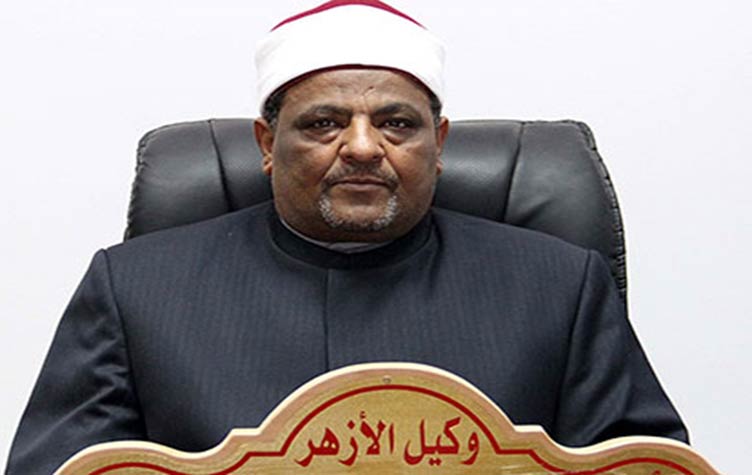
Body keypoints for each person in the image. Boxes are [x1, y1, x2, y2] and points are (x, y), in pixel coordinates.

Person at [5, 1, 687, 473]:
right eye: (324, 124)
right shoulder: (134, 289)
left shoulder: (559, 286)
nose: (362, 148)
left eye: (397, 124)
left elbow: (647, 466)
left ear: (439, 143)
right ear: (267, 143)